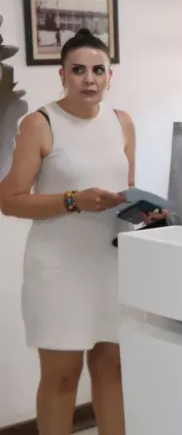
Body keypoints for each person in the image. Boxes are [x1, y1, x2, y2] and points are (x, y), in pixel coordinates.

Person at [0, 28, 163, 435]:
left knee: (112, 368)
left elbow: (124, 189)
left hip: (110, 266)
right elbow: (10, 200)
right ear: (62, 75)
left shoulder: (122, 123)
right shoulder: (40, 124)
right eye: (78, 70)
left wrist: (143, 212)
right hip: (58, 271)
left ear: (110, 76)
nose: (89, 79)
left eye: (98, 70)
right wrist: (73, 200)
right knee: (61, 377)